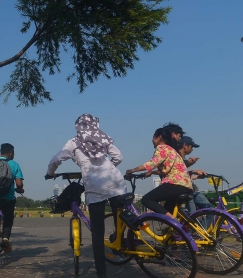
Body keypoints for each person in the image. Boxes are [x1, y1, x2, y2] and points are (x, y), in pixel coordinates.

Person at [46, 114, 126, 278]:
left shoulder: (73, 142)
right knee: (122, 218)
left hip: (95, 188)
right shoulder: (102, 137)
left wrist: (50, 172)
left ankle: (101, 273)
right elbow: (119, 156)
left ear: (78, 126)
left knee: (97, 233)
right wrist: (108, 166)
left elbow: (57, 159)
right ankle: (121, 244)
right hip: (116, 182)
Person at [126, 128, 195, 218]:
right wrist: (151, 173)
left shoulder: (162, 147)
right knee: (166, 212)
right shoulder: (172, 150)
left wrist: (132, 170)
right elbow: (165, 171)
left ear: (159, 137)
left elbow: (153, 163)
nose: (152, 140)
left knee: (147, 200)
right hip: (186, 186)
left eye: (153, 137)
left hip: (175, 184)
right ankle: (174, 228)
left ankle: (173, 220)